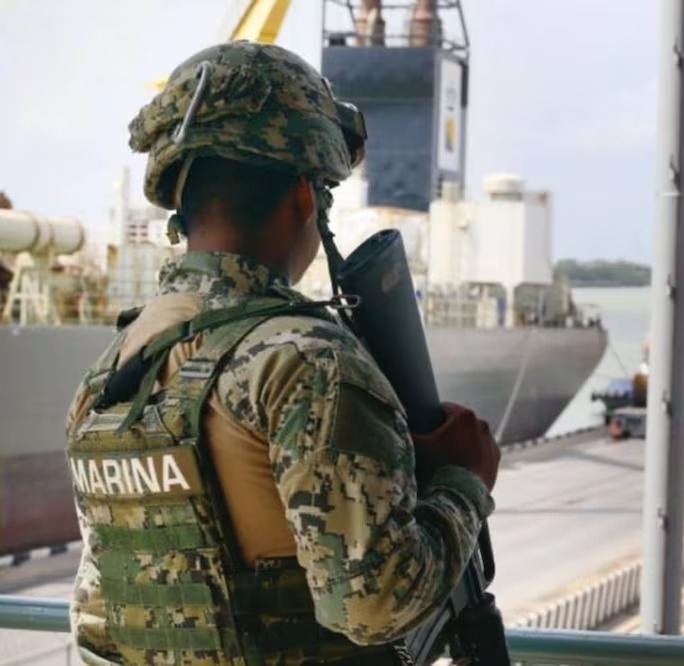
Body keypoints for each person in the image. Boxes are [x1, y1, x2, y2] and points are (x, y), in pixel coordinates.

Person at [64, 41, 500, 666]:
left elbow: (100, 614)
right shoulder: (307, 361)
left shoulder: (111, 372)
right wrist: (464, 481)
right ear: (304, 197)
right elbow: (374, 604)